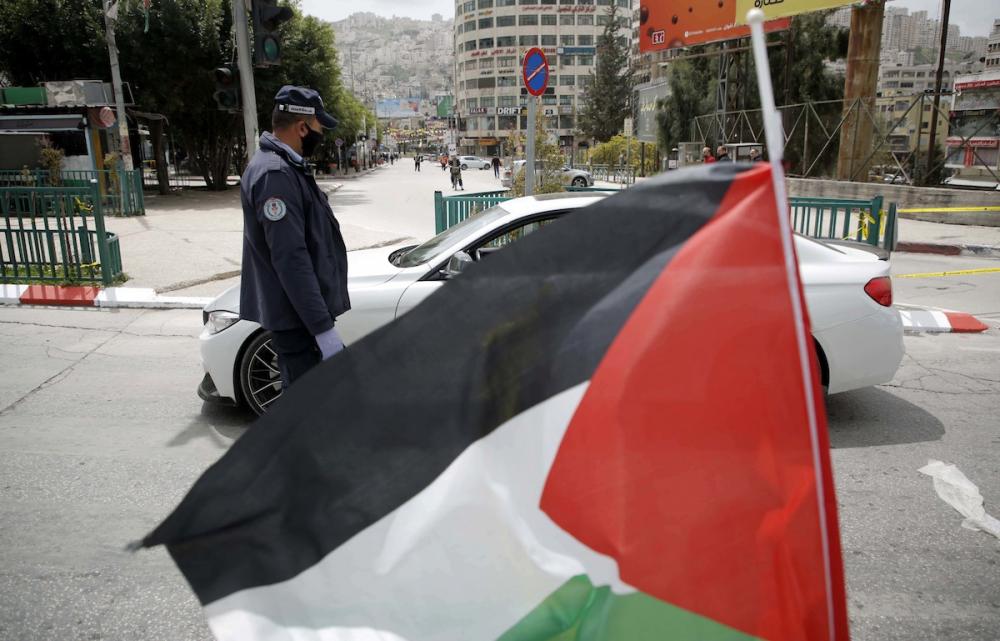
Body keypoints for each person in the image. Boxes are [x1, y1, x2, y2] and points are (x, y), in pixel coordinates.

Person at [239, 85, 350, 390]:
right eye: (319, 127)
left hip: (300, 318)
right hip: (298, 321)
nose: (321, 134)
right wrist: (322, 330)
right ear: (302, 128)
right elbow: (291, 259)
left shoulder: (285, 167)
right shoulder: (275, 175)